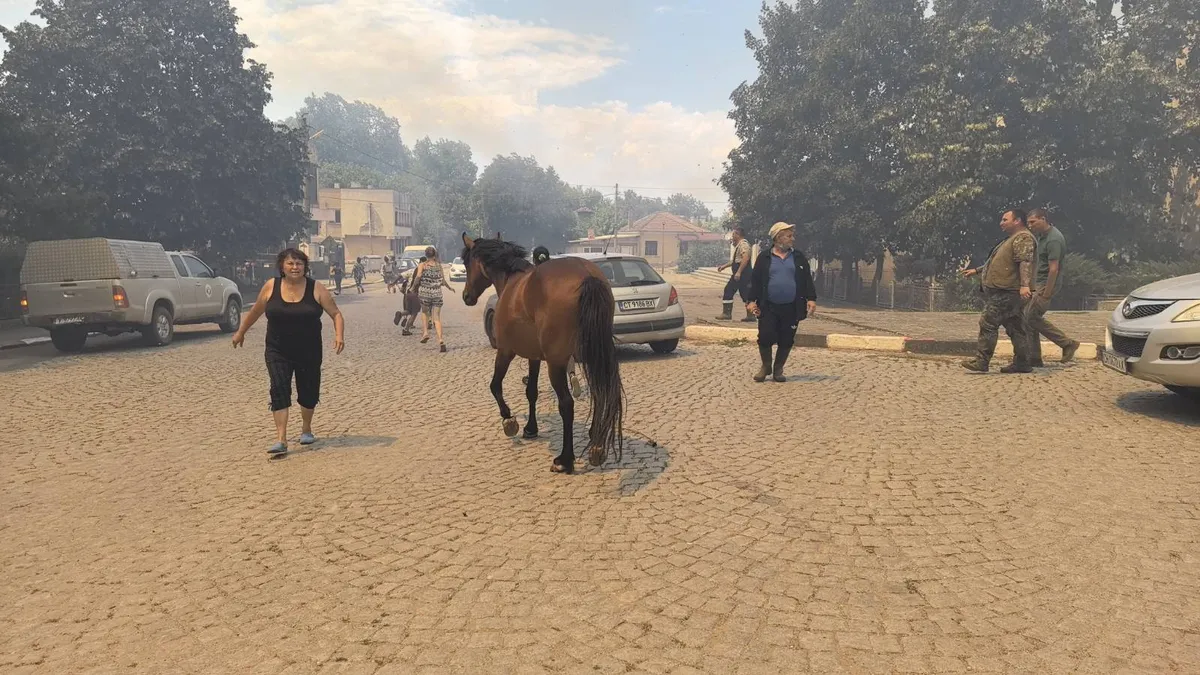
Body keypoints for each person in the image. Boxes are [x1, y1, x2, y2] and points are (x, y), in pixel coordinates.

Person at [233, 248, 345, 456]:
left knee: (308, 390)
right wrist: (241, 332)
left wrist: (339, 335)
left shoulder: (316, 288)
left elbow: (336, 314)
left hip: (309, 350)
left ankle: (306, 429)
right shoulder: (271, 287)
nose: (295, 267)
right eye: (291, 263)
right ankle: (281, 438)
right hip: (277, 349)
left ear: (305, 267)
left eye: (299, 264)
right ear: (282, 266)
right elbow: (256, 311)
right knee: (278, 387)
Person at [959, 209, 1036, 374]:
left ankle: (982, 360)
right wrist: (977, 271)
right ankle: (1022, 362)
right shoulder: (1012, 239)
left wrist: (1024, 285)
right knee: (1015, 326)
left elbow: (1025, 262)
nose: (1001, 223)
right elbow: (996, 261)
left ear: (1017, 221)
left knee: (988, 322)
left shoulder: (1023, 238)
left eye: (1005, 219)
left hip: (1007, 291)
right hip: (1008, 290)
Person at [745, 222, 818, 382]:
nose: (793, 239)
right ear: (778, 237)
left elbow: (807, 280)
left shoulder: (798, 257)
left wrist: (811, 298)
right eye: (789, 236)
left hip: (792, 306)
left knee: (787, 338)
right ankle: (765, 366)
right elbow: (755, 281)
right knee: (765, 335)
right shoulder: (764, 257)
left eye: (792, 235)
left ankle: (778, 369)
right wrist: (751, 301)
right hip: (768, 306)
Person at [1025, 208, 1080, 366]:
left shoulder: (1053, 239)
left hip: (1047, 284)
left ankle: (1067, 344)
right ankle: (1034, 358)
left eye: (1033, 222)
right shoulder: (1042, 237)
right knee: (1030, 319)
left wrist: (1047, 293)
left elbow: (1053, 269)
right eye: (1028, 222)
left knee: (1030, 317)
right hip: (1040, 283)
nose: (1030, 225)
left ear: (1043, 219)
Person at [413, 246, 455, 352]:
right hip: (437, 294)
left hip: (425, 293)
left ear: (426, 254)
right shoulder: (438, 266)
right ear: (434, 254)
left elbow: (418, 277)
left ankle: (426, 332)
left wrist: (413, 287)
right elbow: (443, 281)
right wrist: (450, 288)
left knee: (425, 313)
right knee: (436, 318)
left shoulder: (422, 265)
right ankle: (441, 340)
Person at [716, 227, 755, 322]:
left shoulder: (744, 244)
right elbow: (735, 261)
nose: (732, 237)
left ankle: (727, 313)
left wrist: (739, 272)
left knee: (730, 290)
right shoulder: (739, 245)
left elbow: (745, 258)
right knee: (745, 293)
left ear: (738, 234)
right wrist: (724, 266)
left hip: (743, 274)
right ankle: (750, 315)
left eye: (733, 234)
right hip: (741, 274)